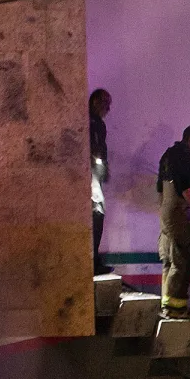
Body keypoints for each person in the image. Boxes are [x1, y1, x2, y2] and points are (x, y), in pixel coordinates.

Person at [157, 124, 190, 319]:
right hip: (179, 212)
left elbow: (160, 189)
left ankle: (167, 305)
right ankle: (176, 308)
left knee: (169, 259)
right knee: (183, 258)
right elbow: (186, 186)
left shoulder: (167, 155)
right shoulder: (185, 155)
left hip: (167, 212)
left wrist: (165, 212)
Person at [89, 88, 112, 274]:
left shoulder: (98, 124)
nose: (108, 109)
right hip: (91, 176)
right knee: (97, 214)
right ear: (96, 102)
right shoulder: (91, 123)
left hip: (95, 174)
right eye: (106, 104)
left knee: (98, 215)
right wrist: (100, 167)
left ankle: (94, 259)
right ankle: (93, 261)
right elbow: (96, 149)